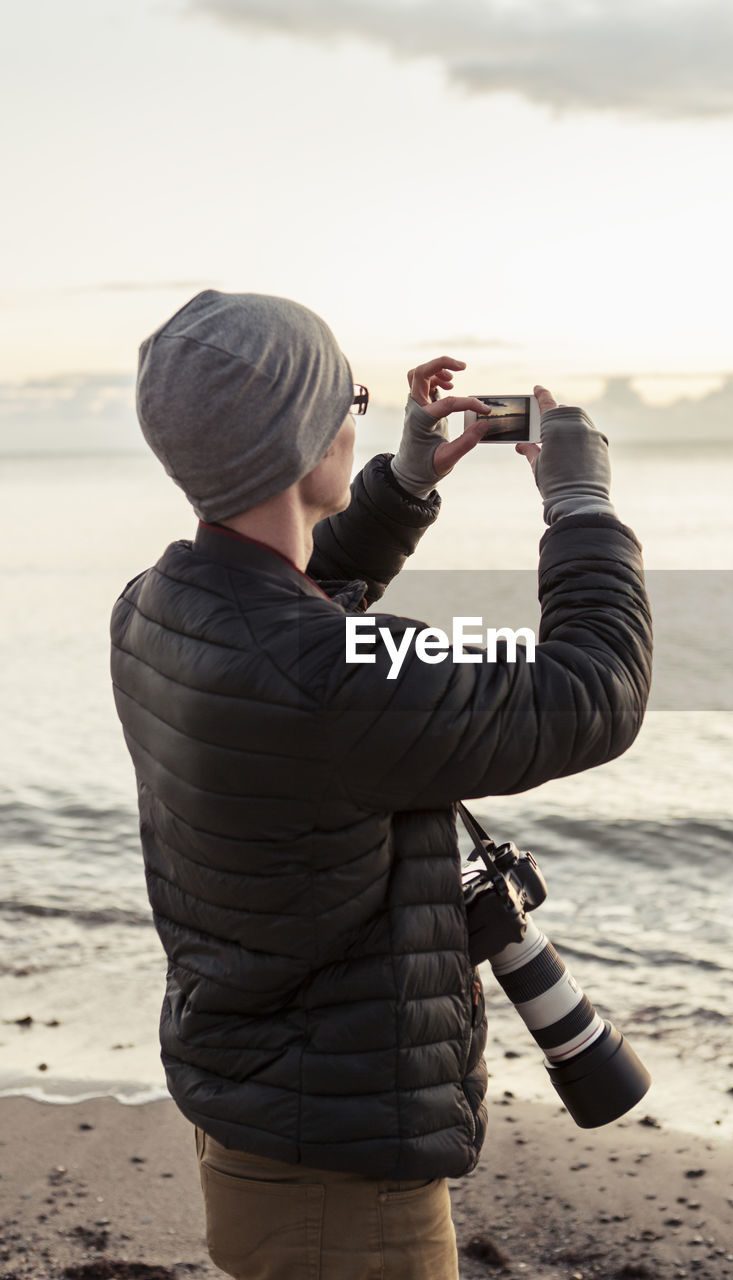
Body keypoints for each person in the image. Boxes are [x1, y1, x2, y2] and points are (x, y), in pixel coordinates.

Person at [110, 288, 653, 1280]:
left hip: (256, 1109)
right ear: (302, 436)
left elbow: (288, 608)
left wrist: (400, 483)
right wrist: (579, 503)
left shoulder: (153, 610)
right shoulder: (335, 680)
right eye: (347, 399)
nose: (357, 415)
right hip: (341, 1184)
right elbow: (596, 690)